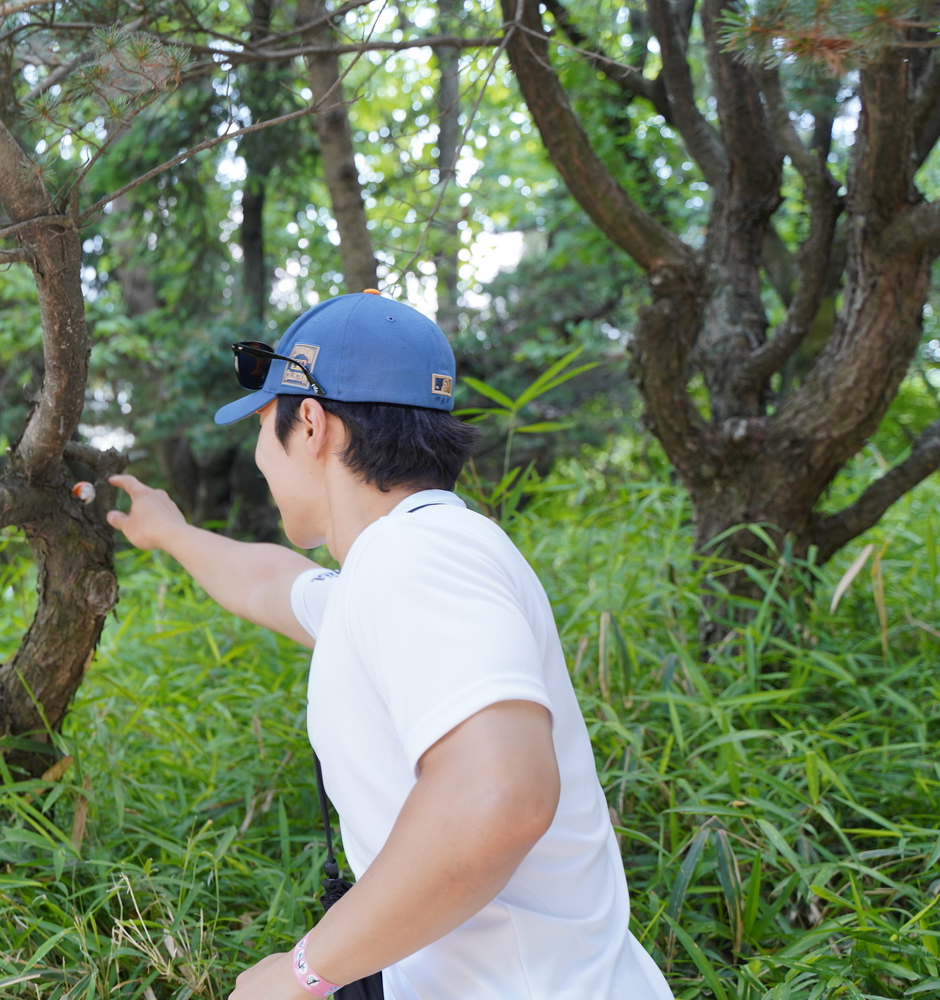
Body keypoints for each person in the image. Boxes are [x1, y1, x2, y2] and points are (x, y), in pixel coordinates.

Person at [104, 291, 674, 1000]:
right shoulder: (405, 560)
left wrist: (302, 972)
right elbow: (275, 584)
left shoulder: (419, 559)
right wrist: (170, 532)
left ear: (309, 422)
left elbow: (500, 795)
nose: (257, 455)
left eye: (261, 426)